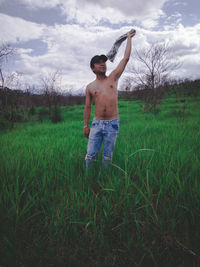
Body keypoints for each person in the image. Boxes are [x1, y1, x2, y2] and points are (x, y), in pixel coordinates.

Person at [84, 30, 136, 170]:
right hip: (96, 124)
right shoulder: (90, 87)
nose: (102, 64)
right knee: (90, 156)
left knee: (107, 157)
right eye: (98, 63)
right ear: (92, 68)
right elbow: (88, 107)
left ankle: (104, 181)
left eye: (103, 62)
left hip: (112, 123)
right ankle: (89, 182)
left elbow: (125, 58)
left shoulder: (113, 77)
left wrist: (128, 38)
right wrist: (85, 126)